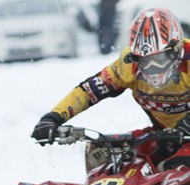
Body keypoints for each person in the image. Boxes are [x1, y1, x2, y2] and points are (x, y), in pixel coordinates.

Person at [32, 8, 190, 170]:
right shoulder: (127, 66)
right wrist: (53, 118)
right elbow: (87, 91)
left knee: (175, 170)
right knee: (102, 155)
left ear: (176, 48)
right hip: (164, 136)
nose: (153, 66)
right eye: (144, 60)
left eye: (159, 58)